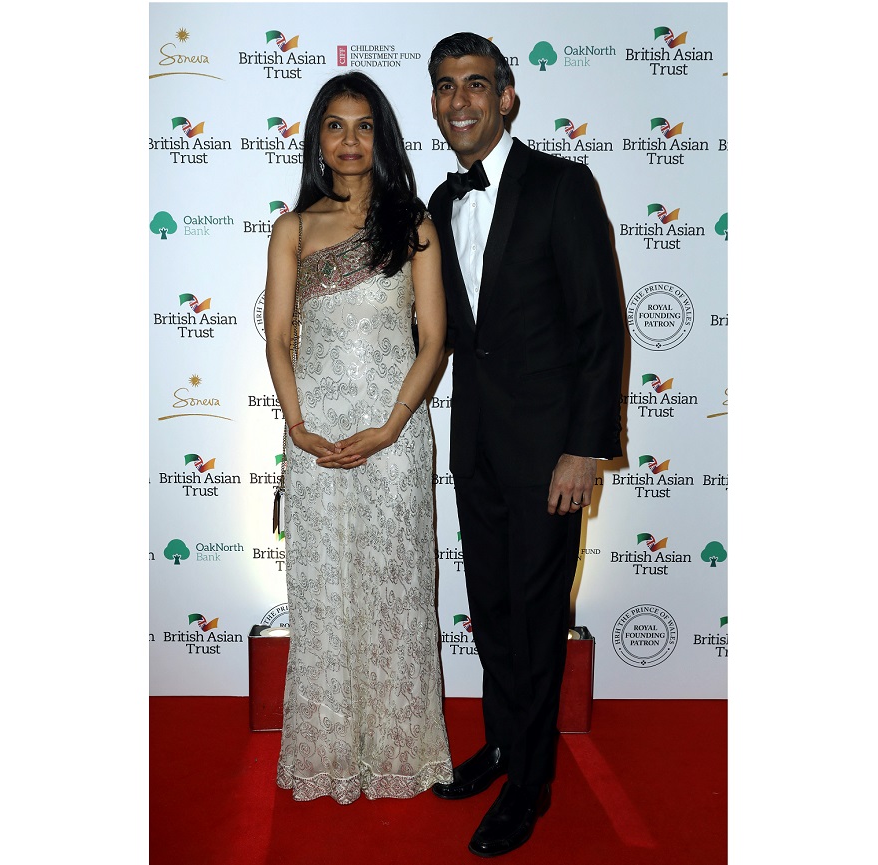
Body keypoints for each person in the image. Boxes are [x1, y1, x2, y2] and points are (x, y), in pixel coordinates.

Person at [426, 33, 625, 855]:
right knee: (495, 613)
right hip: (475, 446)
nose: (460, 100)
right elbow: (446, 333)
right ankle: (505, 744)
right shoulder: (440, 203)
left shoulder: (561, 184)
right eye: (446, 86)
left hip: (549, 456)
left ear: (507, 97)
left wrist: (584, 449)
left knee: (538, 619)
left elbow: (600, 325)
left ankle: (531, 784)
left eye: (477, 84)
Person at [263, 71, 452, 804]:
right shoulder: (292, 229)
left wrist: (391, 427)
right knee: (325, 597)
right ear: (318, 137)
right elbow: (279, 340)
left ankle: (403, 750)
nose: (349, 140)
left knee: (396, 592)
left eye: (364, 125)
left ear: (383, 137)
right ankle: (331, 753)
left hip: (394, 437)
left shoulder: (414, 223)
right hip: (317, 440)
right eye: (335, 126)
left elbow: (432, 342)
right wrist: (299, 428)